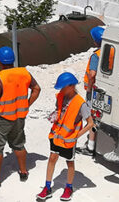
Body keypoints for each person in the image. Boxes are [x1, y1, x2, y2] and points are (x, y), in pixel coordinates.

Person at [0, 46, 40, 187]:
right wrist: (27, 104)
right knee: (18, 144)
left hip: (3, 118)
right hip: (19, 117)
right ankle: (23, 172)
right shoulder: (24, 72)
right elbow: (37, 89)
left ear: (0, 62)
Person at [37, 72, 94, 201]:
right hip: (56, 135)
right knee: (52, 158)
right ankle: (47, 187)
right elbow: (60, 111)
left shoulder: (81, 103)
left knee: (69, 162)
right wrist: (55, 116)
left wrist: (76, 135)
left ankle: (69, 187)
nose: (61, 90)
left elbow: (90, 123)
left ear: (71, 86)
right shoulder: (61, 96)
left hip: (69, 139)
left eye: (63, 87)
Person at [80, 26, 113, 155]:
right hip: (106, 88)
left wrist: (88, 89)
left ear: (95, 42)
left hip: (95, 91)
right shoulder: (112, 51)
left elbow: (92, 75)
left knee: (91, 118)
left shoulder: (96, 56)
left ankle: (91, 147)